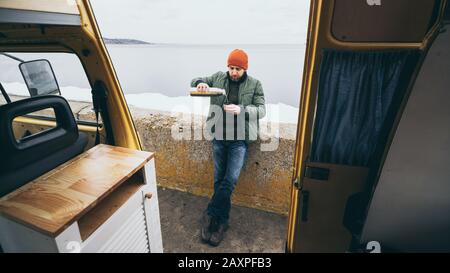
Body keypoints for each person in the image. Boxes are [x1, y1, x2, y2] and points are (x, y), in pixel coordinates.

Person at [190, 49, 266, 246]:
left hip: (239, 139)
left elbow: (262, 110)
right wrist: (201, 84)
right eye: (231, 68)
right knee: (219, 180)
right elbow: (194, 81)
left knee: (229, 180)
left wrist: (242, 110)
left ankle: (210, 213)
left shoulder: (255, 84)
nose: (234, 72)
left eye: (238, 69)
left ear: (245, 69)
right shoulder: (217, 77)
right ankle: (221, 222)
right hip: (218, 136)